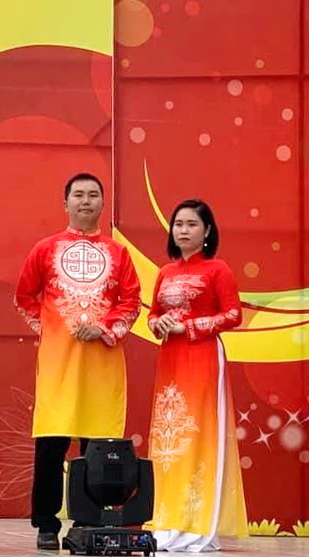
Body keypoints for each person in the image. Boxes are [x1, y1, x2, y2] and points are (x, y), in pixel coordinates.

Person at [14, 172, 141, 550]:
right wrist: (51, 328)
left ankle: (89, 519)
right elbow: (24, 296)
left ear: (103, 202)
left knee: (97, 445)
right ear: (66, 203)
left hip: (103, 361)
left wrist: (103, 328)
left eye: (93, 195)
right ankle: (46, 524)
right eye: (79, 195)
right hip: (59, 363)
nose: (86, 201)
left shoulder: (119, 253)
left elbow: (131, 303)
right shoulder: (45, 249)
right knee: (51, 443)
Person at [146, 199, 248, 552]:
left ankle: (196, 524)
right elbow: (153, 315)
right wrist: (159, 323)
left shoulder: (218, 269)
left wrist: (187, 327)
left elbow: (233, 315)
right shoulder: (164, 271)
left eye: (191, 224)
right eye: (178, 224)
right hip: (170, 359)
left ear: (207, 231)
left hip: (203, 357)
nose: (183, 230)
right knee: (169, 439)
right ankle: (167, 520)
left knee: (197, 434)